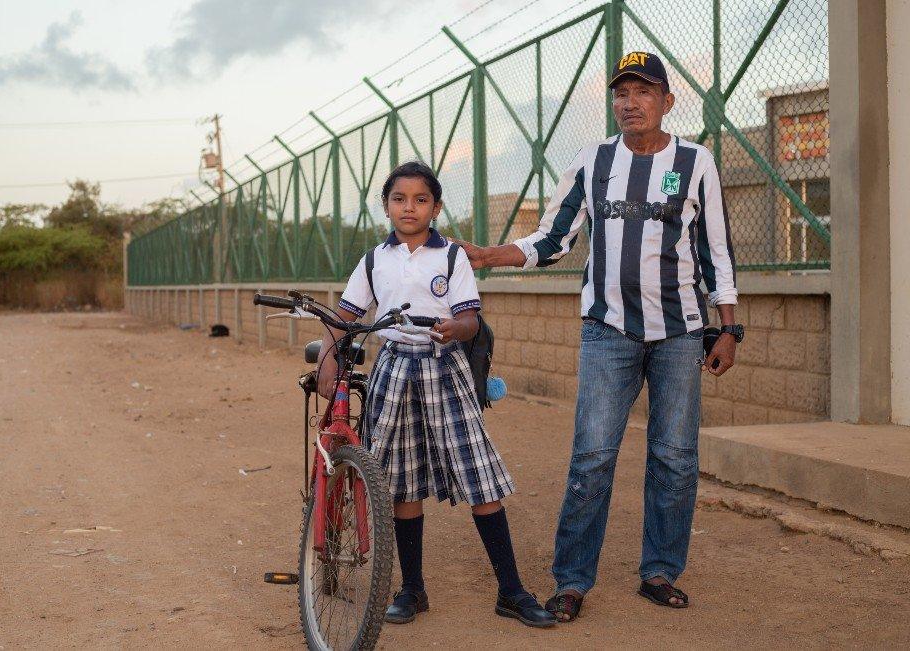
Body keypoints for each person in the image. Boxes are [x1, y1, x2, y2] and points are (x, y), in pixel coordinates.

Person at [453, 52, 744, 620]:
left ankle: (660, 571)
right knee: (591, 456)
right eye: (621, 93)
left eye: (643, 92)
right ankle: (572, 579)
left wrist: (729, 328)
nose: (630, 103)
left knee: (676, 457)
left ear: (667, 101)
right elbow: (553, 237)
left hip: (681, 333)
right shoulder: (593, 161)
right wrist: (491, 254)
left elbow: (716, 253)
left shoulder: (696, 162)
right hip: (607, 330)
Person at [316, 161, 556, 628]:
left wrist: (455, 329)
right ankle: (412, 589)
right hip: (393, 371)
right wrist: (328, 353)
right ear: (386, 206)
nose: (410, 207)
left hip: (445, 371)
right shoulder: (374, 260)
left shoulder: (453, 257)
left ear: (436, 206)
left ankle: (511, 590)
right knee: (401, 483)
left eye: (420, 199)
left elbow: (470, 317)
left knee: (478, 477)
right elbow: (345, 315)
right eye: (399, 199)